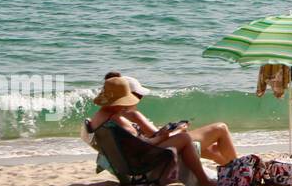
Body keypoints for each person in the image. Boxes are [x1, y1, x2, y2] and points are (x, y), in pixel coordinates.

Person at [88, 76, 214, 186]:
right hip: (138, 164)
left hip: (123, 163)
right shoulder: (118, 120)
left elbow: (135, 143)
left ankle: (202, 177)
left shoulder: (99, 117)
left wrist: (162, 135)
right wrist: (165, 135)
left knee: (181, 137)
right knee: (184, 138)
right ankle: (203, 180)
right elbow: (143, 146)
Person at [101, 71, 240, 167]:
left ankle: (234, 169)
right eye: (138, 96)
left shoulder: (113, 116)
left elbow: (150, 138)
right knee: (220, 128)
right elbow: (158, 137)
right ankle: (239, 170)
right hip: (161, 150)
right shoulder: (133, 115)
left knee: (213, 150)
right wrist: (178, 130)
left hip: (145, 154)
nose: (138, 100)